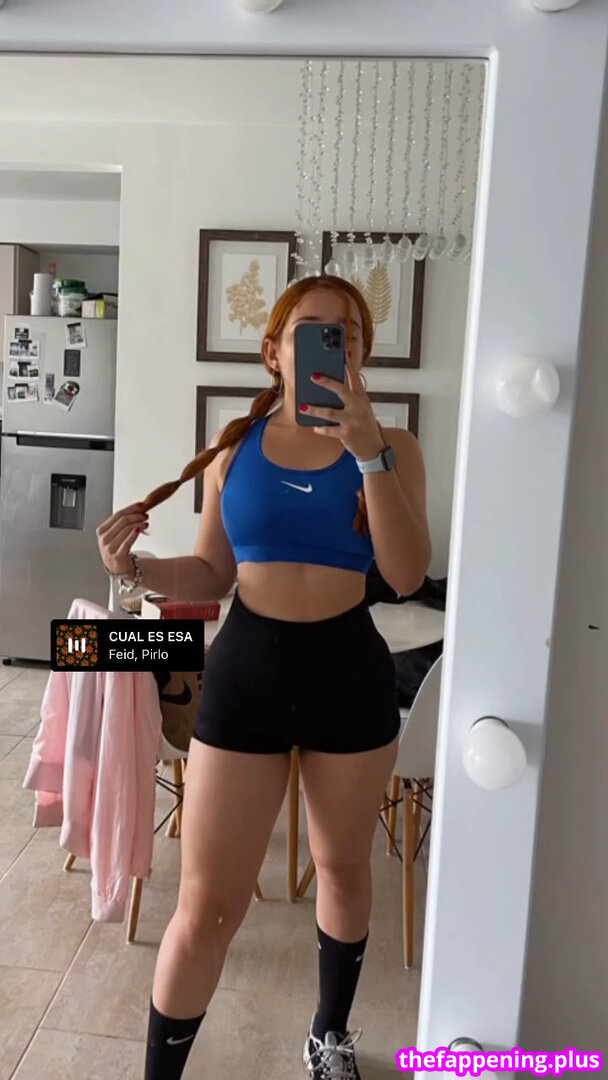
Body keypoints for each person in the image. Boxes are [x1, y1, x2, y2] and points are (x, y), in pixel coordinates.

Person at [96, 275, 432, 1080]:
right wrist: (135, 568)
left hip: (348, 673)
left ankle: (329, 1036)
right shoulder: (233, 448)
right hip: (247, 672)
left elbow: (406, 573)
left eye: (348, 332)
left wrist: (369, 454)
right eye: (313, 328)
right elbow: (213, 574)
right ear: (274, 351)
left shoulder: (395, 446)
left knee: (343, 870)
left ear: (361, 354)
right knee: (208, 904)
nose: (334, 341)